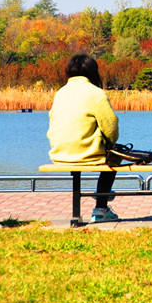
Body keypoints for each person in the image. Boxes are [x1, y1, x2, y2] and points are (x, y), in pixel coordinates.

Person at [47, 54, 121, 223]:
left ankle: (104, 195)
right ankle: (101, 206)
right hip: (87, 153)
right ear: (93, 72)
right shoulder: (97, 94)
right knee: (115, 156)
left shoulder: (60, 93)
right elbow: (111, 131)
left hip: (59, 152)